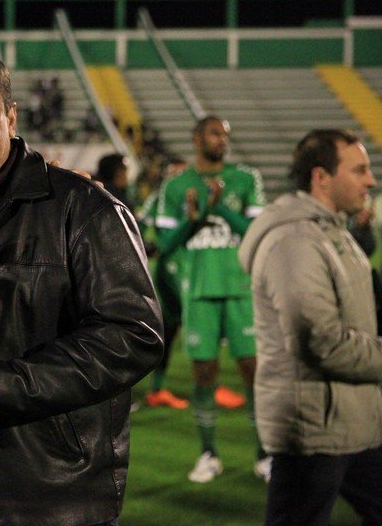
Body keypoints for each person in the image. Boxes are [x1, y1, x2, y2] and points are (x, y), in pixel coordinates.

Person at [0, 46, 163, 526]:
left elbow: (133, 333)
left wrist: (9, 386)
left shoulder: (82, 208)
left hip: (42, 503)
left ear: (10, 117)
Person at [239, 129, 382, 526]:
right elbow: (322, 342)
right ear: (321, 177)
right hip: (313, 429)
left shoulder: (331, 230)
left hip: (352, 421)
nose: (370, 180)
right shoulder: (295, 240)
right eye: (359, 170)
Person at [155, 115, 268, 483]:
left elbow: (257, 231)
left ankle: (264, 454)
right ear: (196, 138)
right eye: (215, 133)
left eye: (226, 135)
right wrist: (192, 221)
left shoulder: (245, 178)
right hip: (198, 290)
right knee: (204, 373)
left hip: (240, 289)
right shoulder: (176, 185)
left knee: (253, 370)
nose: (223, 140)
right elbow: (165, 246)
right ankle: (209, 453)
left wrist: (218, 209)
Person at [136, 155, 190, 409]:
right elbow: (137, 225)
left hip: (188, 270)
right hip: (162, 272)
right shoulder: (156, 200)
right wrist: (150, 246)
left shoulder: (193, 201)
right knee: (159, 330)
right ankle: (151, 387)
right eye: (175, 174)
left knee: (174, 328)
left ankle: (160, 386)